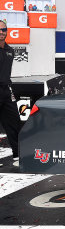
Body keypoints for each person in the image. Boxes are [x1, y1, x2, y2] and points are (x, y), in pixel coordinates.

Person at [0, 21, 22, 167]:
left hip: (6, 91)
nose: (1, 32)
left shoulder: (10, 50)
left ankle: (19, 154)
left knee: (14, 123)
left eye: (4, 29)